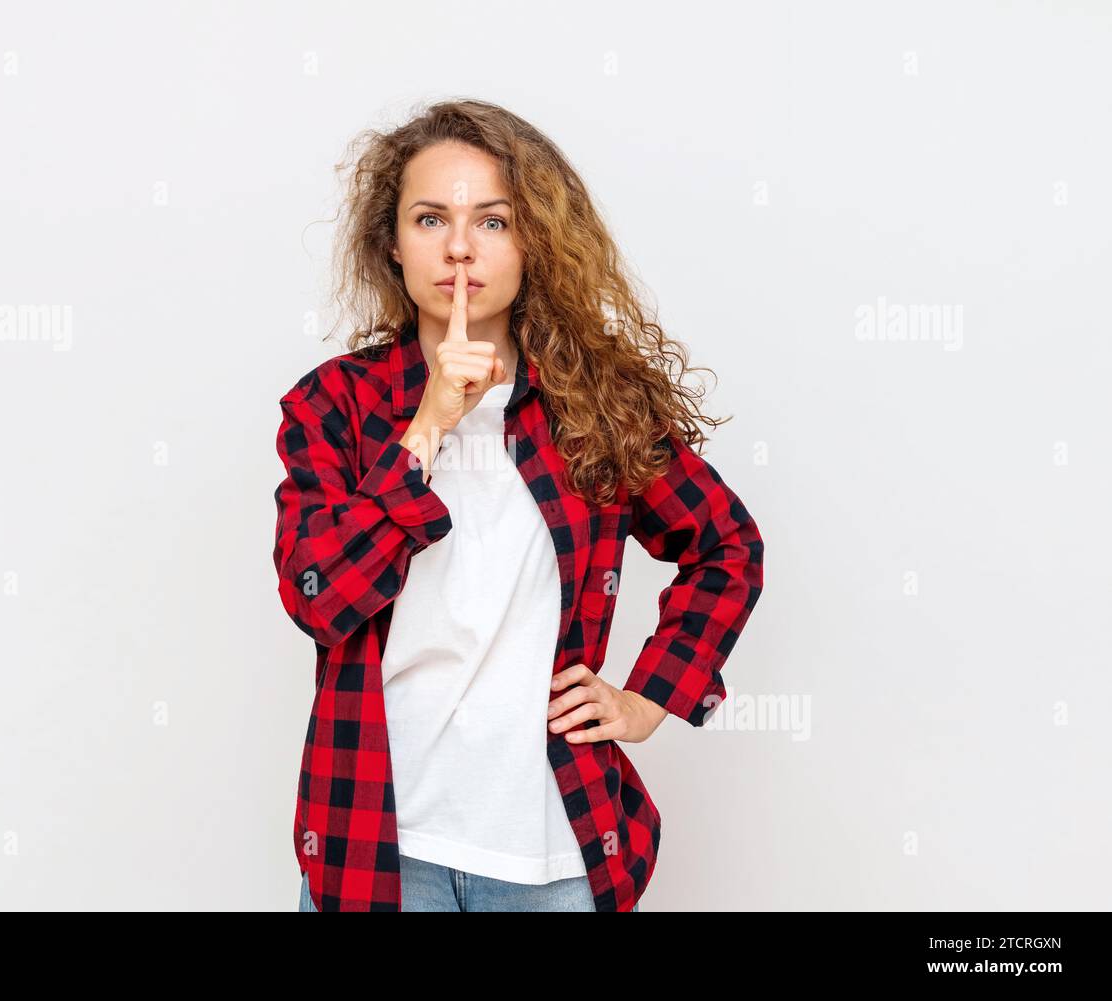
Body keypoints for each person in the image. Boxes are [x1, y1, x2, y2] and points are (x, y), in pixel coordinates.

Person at [273, 99, 765, 911]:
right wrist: (430, 423)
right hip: (380, 850)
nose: (460, 246)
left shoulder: (596, 409)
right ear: (392, 244)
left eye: (492, 221)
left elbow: (726, 545)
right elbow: (318, 595)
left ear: (532, 241)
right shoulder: (335, 406)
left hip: (551, 854)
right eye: (431, 218)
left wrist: (650, 698)